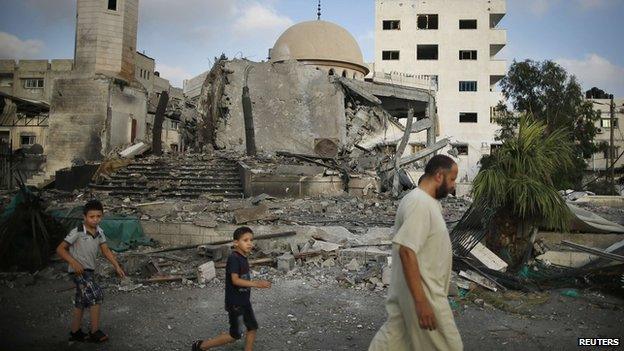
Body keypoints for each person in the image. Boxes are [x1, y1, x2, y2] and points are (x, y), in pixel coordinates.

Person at [369, 154, 463, 351]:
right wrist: (421, 303)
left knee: (393, 342)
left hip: (412, 294)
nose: (454, 185)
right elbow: (407, 250)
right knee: (450, 347)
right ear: (439, 176)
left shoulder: (426, 202)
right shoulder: (419, 203)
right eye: (452, 178)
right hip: (425, 295)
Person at [56, 199, 125, 343]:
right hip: (78, 271)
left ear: (102, 216)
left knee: (81, 302)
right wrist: (73, 262)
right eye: (91, 217)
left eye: (98, 216)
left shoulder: (99, 232)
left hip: (89, 271)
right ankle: (94, 332)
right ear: (84, 217)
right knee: (96, 295)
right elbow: (60, 249)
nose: (95, 220)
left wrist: (117, 266)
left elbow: (106, 251)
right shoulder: (77, 231)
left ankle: (75, 332)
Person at [192, 226, 272, 351]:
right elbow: (235, 280)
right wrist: (257, 284)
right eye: (245, 240)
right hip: (235, 304)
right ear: (236, 242)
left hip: (244, 302)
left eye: (251, 240)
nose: (250, 243)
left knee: (252, 328)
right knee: (235, 335)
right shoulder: (234, 258)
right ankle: (201, 346)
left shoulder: (243, 257)